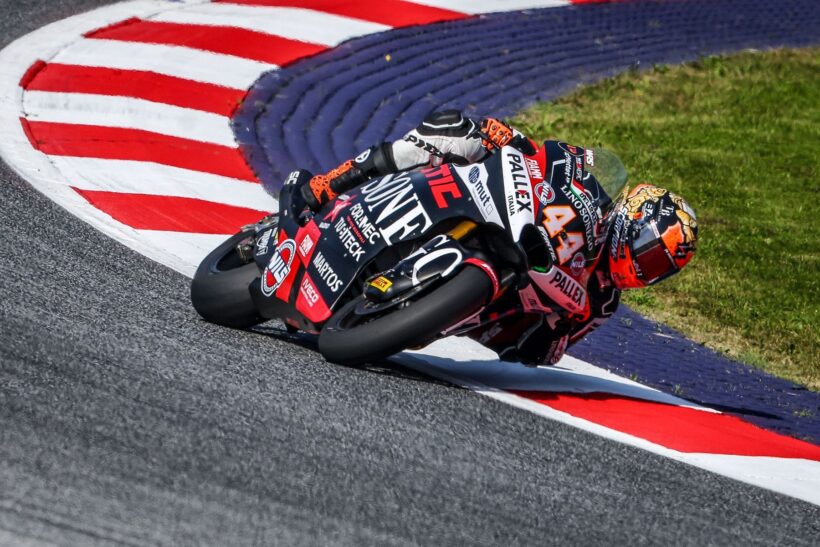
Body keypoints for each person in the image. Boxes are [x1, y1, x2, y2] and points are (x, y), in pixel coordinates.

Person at [298, 111, 698, 366]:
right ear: (632, 219)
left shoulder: (603, 300)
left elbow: (548, 351)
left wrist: (544, 339)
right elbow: (550, 157)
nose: (645, 270)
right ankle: (330, 184)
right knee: (456, 130)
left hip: (490, 302)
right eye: (650, 255)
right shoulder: (594, 191)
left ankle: (407, 309)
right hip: (503, 211)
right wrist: (507, 138)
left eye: (657, 270)